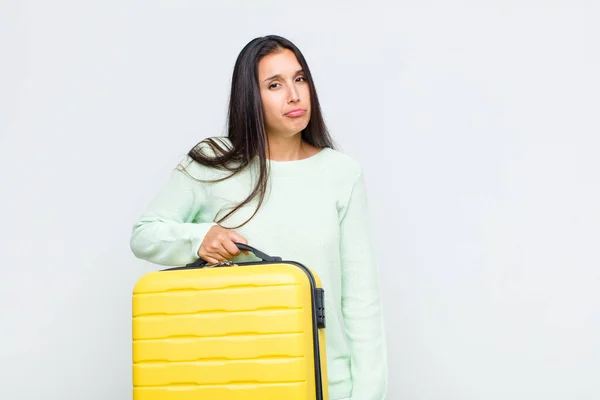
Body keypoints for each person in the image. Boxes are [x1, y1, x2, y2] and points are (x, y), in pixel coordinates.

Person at [129, 34, 387, 400]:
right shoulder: (213, 162)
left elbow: (362, 302)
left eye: (300, 79)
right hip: (231, 380)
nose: (294, 95)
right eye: (274, 85)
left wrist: (368, 394)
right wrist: (198, 238)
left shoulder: (341, 173)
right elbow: (144, 235)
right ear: (251, 97)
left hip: (323, 384)